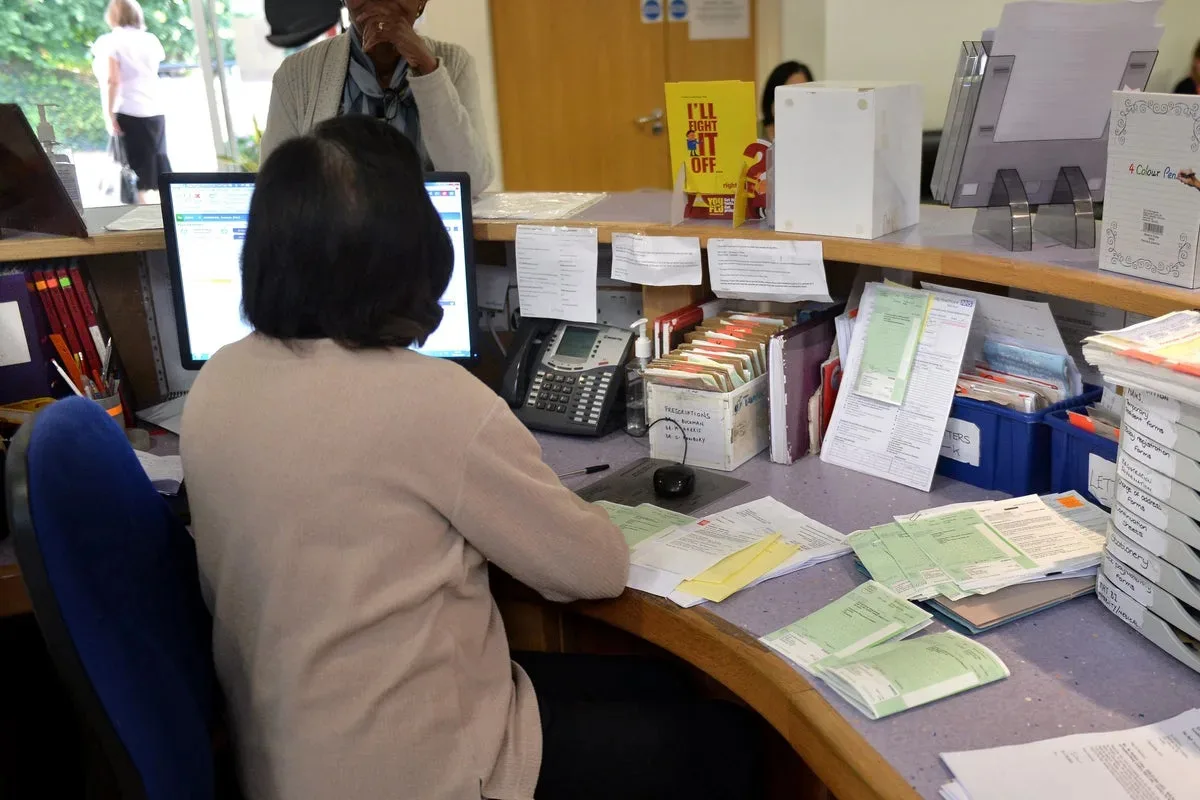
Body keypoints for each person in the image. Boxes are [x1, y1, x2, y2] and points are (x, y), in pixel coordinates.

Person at [182, 115, 760, 800]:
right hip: (422, 777)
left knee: (653, 680)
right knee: (728, 741)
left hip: (287, 760)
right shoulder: (428, 398)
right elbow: (595, 569)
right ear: (406, 260)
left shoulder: (216, 380)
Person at [259, 0, 494, 191]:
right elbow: (275, 192)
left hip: (426, 241)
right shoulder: (296, 75)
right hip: (332, 245)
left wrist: (427, 69)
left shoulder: (454, 63)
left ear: (422, 2)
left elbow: (471, 181)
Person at [91, 0, 172, 204]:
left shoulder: (110, 42)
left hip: (128, 110)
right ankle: (163, 220)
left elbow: (113, 80)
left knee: (131, 174)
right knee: (155, 169)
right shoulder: (151, 40)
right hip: (155, 109)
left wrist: (109, 115)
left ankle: (141, 223)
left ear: (113, 15)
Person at [761, 60, 814, 141]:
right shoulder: (752, 133)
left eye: (801, 95)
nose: (795, 102)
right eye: (788, 94)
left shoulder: (814, 136)